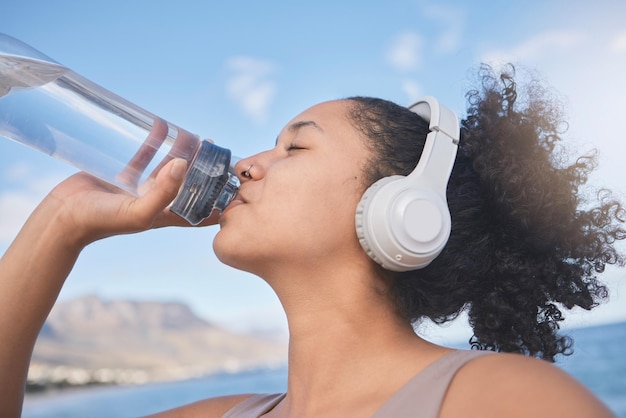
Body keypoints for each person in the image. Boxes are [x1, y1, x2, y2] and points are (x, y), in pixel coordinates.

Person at [0, 64, 623, 418]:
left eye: (294, 146)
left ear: (399, 210)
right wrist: (61, 222)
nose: (245, 164)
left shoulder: (504, 403)